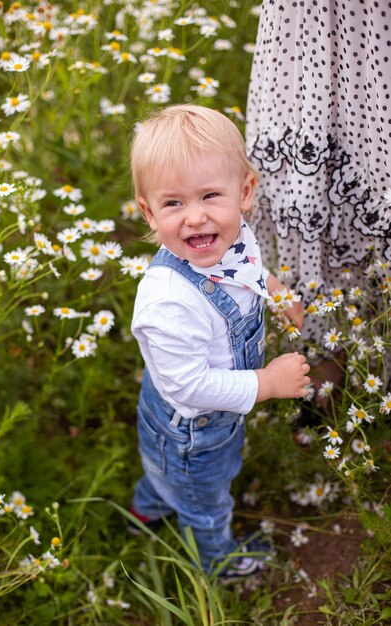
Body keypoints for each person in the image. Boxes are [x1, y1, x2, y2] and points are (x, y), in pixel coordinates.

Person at [129, 104, 310, 578]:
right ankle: (218, 561)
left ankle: (148, 508)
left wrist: (272, 288)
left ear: (244, 192)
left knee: (166, 473)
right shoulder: (168, 301)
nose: (194, 217)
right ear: (148, 210)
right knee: (204, 497)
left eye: (210, 195)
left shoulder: (230, 240)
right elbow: (189, 387)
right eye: (173, 203)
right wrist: (267, 383)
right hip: (193, 427)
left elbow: (246, 268)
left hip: (194, 417)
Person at [245, 1, 391, 402]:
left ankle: (366, 346)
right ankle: (334, 344)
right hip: (314, 19)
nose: (196, 218)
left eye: (210, 196)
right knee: (317, 141)